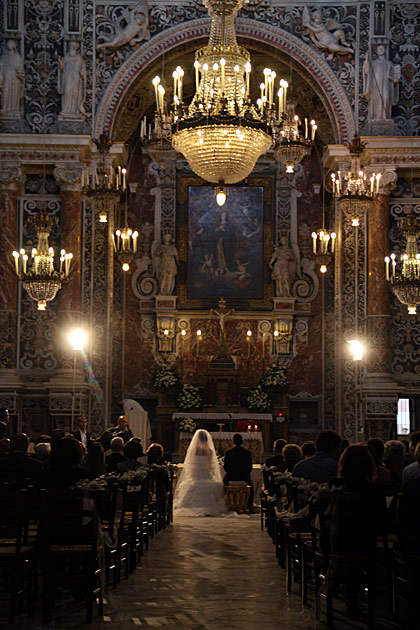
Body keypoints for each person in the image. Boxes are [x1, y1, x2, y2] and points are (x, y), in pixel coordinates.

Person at [330, 445, 387, 618]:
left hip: (338, 544)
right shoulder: (374, 490)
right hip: (365, 545)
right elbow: (382, 524)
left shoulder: (335, 485)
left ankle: (343, 590)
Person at [174, 430, 227, 517]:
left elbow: (190, 463)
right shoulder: (209, 450)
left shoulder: (194, 450)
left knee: (192, 485)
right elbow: (211, 465)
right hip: (206, 473)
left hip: (195, 474)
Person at [363, 45, 400, 120]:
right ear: (376, 51)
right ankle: (376, 117)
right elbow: (367, 71)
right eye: (379, 49)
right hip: (375, 85)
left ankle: (385, 116)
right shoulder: (373, 63)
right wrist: (366, 60)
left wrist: (395, 78)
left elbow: (394, 76)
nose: (381, 50)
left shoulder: (389, 63)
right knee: (376, 99)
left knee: (386, 97)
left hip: (386, 84)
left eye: (382, 49)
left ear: (385, 51)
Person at [224, 433, 254, 512]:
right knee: (251, 487)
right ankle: (248, 506)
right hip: (244, 477)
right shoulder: (247, 453)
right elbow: (249, 468)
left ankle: (227, 504)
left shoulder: (228, 452)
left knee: (222, 484)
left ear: (233, 441)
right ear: (242, 442)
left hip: (231, 477)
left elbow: (225, 467)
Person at [58, 41, 86, 117]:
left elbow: (83, 69)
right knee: (67, 92)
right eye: (70, 45)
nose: (71, 47)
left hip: (76, 79)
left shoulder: (79, 58)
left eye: (73, 46)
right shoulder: (66, 57)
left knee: (75, 94)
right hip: (67, 77)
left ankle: (75, 111)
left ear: (76, 47)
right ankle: (65, 110)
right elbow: (62, 69)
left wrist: (82, 72)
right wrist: (61, 65)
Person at [0, 39, 25, 116]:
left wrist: (20, 74)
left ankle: (14, 109)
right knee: (5, 92)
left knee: (14, 94)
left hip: (14, 78)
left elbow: (20, 68)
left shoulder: (17, 56)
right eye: (8, 44)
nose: (9, 45)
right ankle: (4, 108)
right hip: (5, 77)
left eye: (11, 44)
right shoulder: (4, 56)